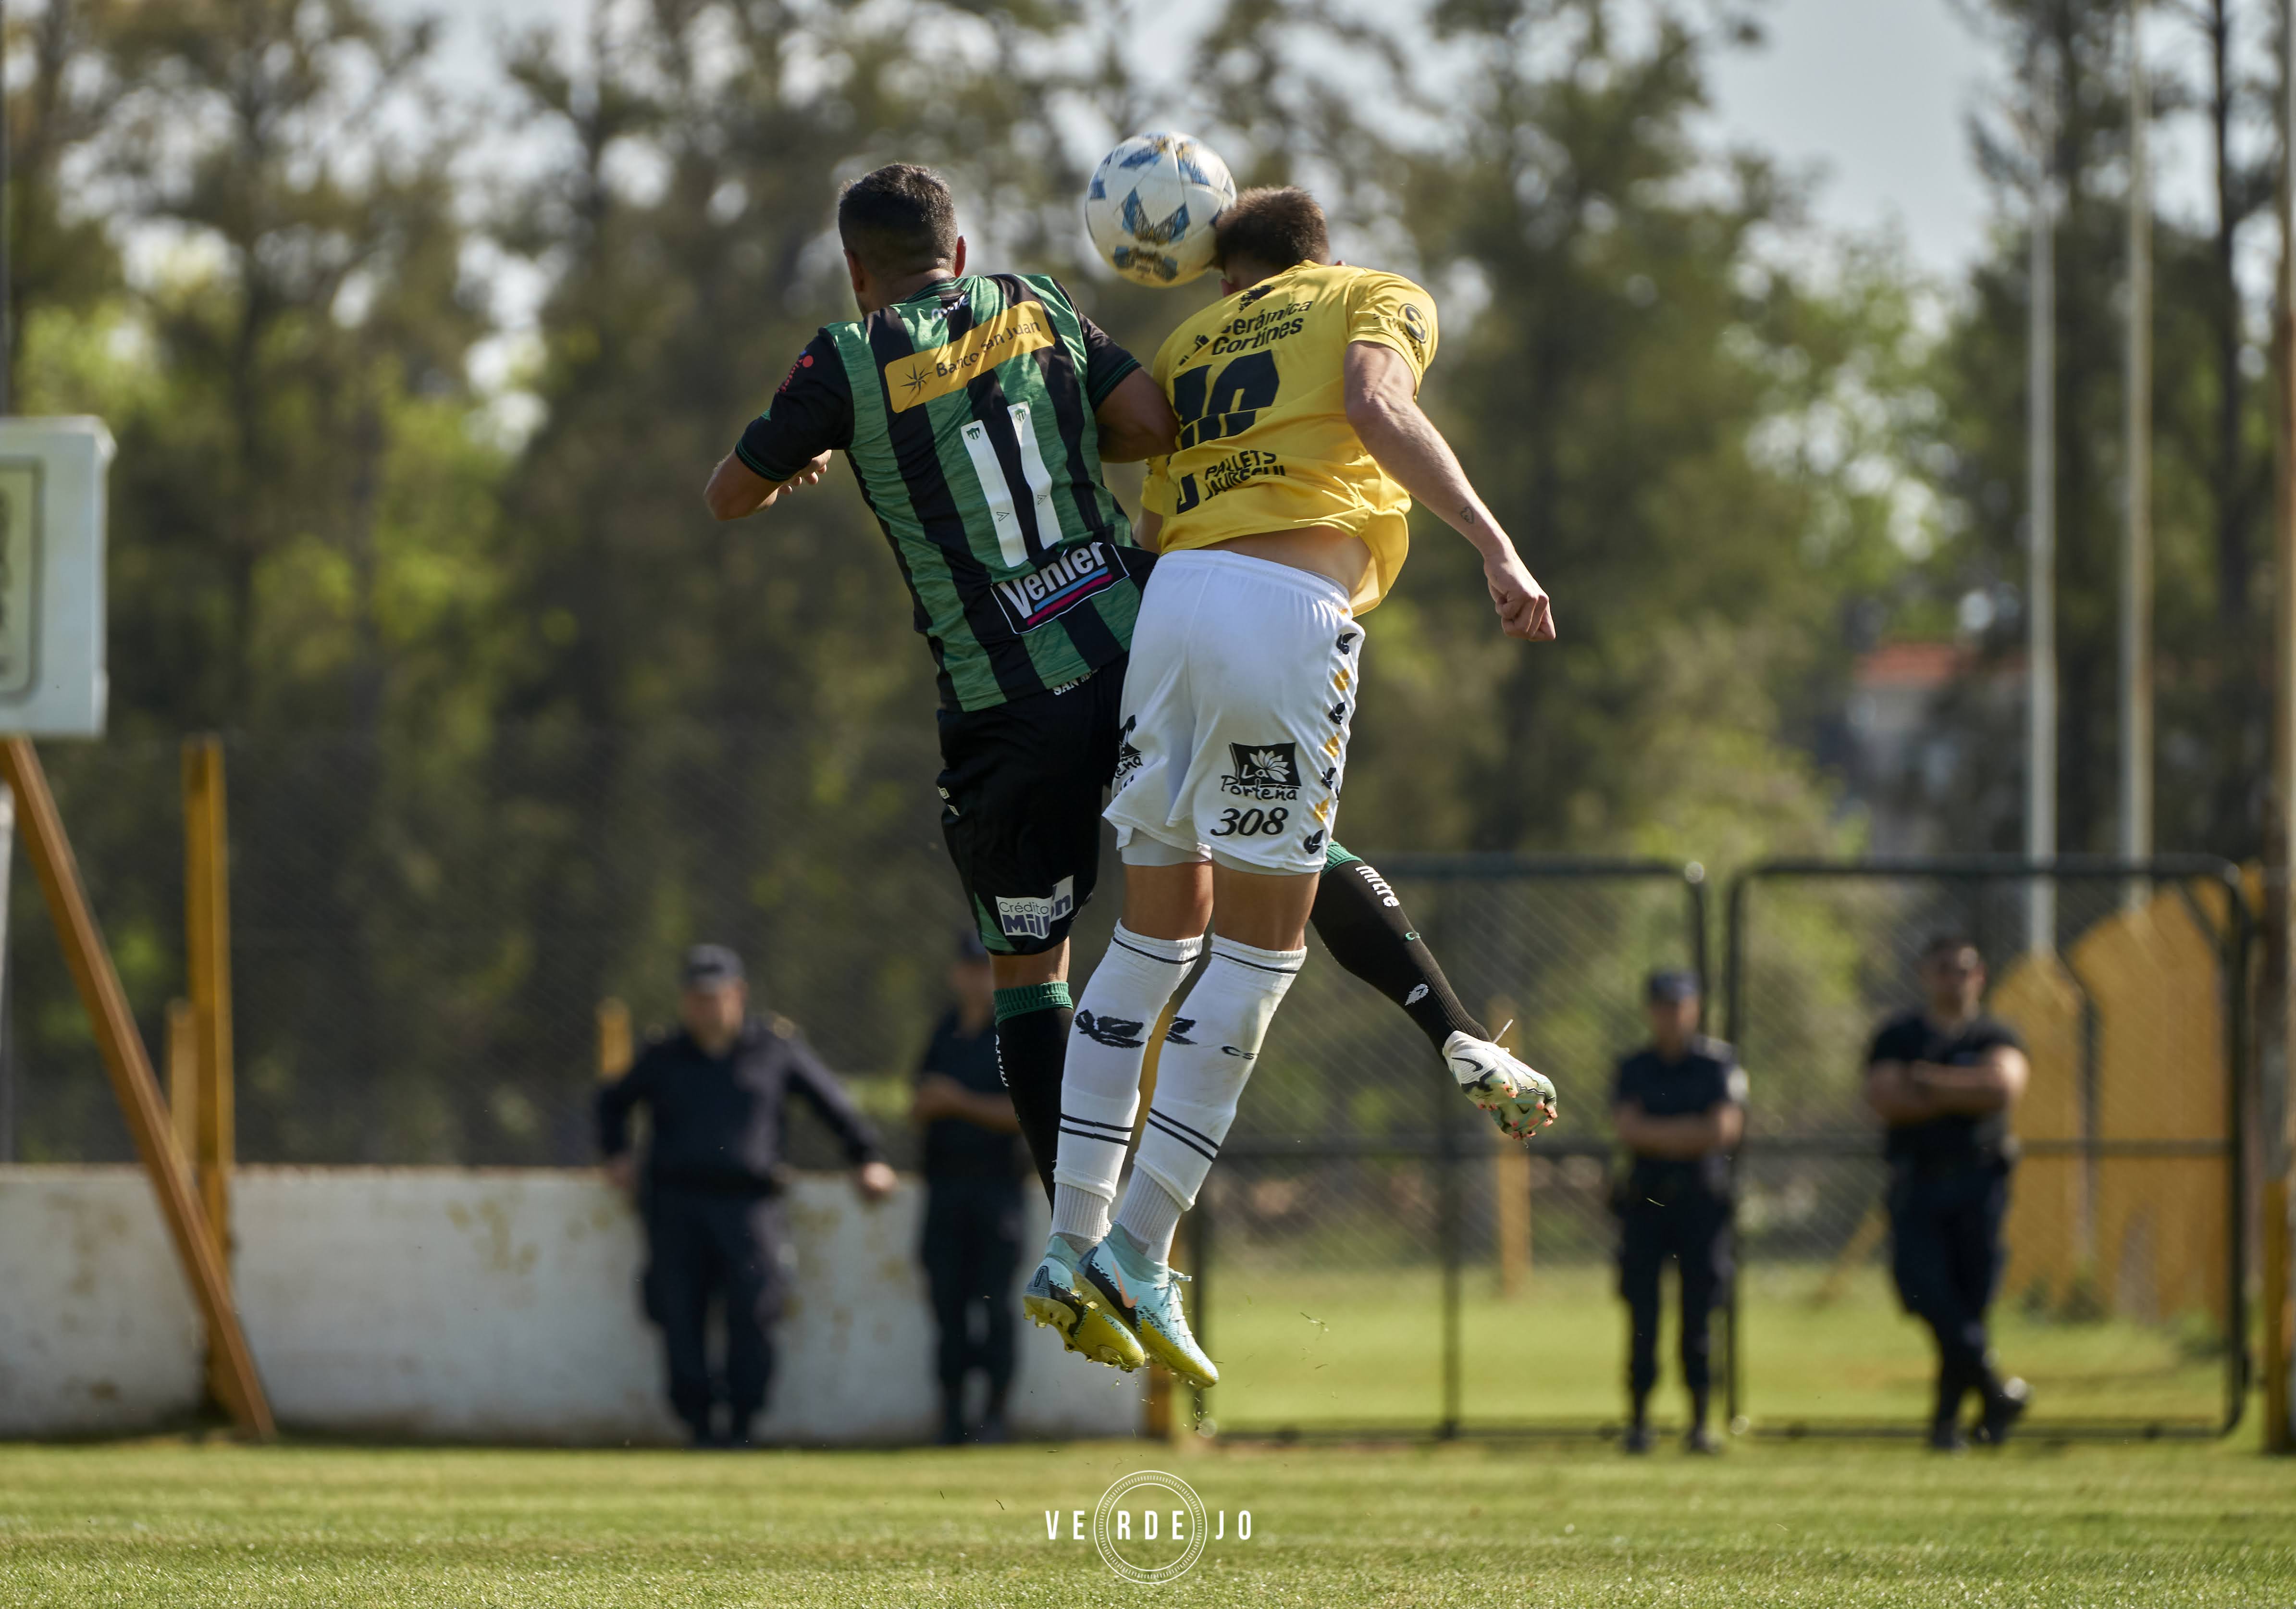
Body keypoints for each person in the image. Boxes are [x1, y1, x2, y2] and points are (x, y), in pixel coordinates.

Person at [701, 164, 1555, 1371]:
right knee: (1274, 882)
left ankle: (1074, 1239)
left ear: (857, 270)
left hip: (998, 708)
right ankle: (1436, 1037)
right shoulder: (1039, 306)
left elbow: (728, 495)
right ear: (962, 248)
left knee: (1037, 975)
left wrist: (810, 457)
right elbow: (1154, 427)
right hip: (1120, 639)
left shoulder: (841, 359)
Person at [1046, 186, 1557, 1388]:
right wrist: (1496, 545)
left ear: (1228, 276)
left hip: (1171, 610)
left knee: (1150, 938)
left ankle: (1068, 1241)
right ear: (1313, 257)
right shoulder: (1368, 296)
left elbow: (1154, 500)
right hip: (1286, 613)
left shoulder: (1189, 343)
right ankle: (1138, 1248)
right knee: (1259, 954)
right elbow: (1376, 403)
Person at [598, 944, 895, 1448]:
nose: (706, 1007)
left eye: (716, 996)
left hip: (750, 1204)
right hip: (675, 1204)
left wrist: (866, 1156)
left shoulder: (775, 1049)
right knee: (678, 1312)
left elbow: (831, 1103)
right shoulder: (662, 1055)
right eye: (696, 997)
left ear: (738, 995)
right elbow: (610, 1103)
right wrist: (616, 1153)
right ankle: (697, 1423)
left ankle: (741, 1423)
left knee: (755, 1310)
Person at [1865, 933, 2033, 1450]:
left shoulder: (1995, 1033)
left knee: (1967, 1303)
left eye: (1962, 969)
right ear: (1924, 975)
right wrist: (1964, 1091)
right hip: (1917, 1182)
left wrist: (1926, 1083)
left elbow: (2001, 1088)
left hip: (1978, 1185)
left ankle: (1945, 1426)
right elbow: (1886, 1098)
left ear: (1978, 976)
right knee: (1925, 1292)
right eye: (1942, 969)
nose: (1952, 979)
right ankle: (1992, 1391)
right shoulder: (1897, 1033)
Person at [1611, 969, 1744, 1455]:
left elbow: (1723, 1130)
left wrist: (1658, 1134)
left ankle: (1699, 1423)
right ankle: (1639, 1421)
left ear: (1695, 1007)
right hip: (1645, 1203)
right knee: (1641, 1315)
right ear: (1650, 1010)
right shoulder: (1634, 1065)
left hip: (1700, 1205)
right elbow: (1627, 1129)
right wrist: (1688, 1134)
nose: (1671, 1015)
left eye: (1680, 1004)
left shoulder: (1716, 1063)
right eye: (1663, 1005)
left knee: (1699, 1316)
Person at [910, 931, 1028, 1445]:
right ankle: (953, 1415)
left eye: (986, 967)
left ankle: (996, 1416)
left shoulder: (1018, 1033)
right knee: (947, 1306)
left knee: (995, 1306)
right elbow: (918, 1097)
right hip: (945, 1189)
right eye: (969, 967)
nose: (976, 977)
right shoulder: (943, 1031)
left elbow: (1028, 1114)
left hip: (997, 1190)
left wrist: (958, 1102)